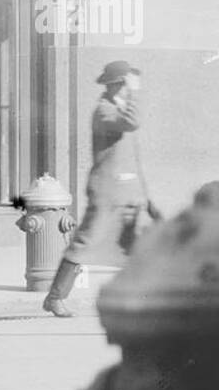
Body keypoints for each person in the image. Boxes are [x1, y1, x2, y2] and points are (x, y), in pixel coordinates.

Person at [42, 60, 152, 317]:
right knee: (84, 242)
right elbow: (132, 122)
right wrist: (135, 91)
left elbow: (131, 155)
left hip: (125, 192)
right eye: (126, 84)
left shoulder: (119, 109)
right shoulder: (104, 111)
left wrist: (144, 193)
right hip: (105, 192)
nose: (129, 89)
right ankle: (55, 297)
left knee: (133, 245)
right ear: (116, 85)